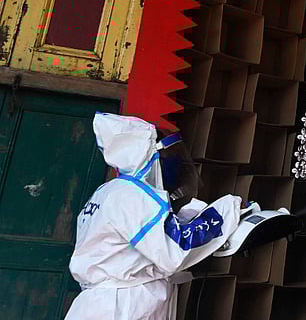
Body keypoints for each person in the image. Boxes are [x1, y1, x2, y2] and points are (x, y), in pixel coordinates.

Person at [66, 113, 248, 320]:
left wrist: (190, 215)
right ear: (148, 156)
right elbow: (173, 250)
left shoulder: (108, 192)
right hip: (121, 307)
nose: (176, 163)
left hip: (106, 302)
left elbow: (140, 247)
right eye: (168, 157)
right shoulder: (132, 195)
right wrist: (229, 208)